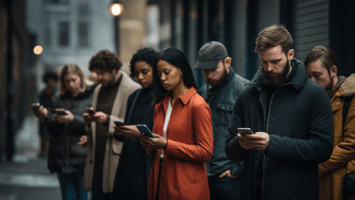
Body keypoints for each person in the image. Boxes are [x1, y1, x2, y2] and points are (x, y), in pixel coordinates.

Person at [225, 25, 334, 200]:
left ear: (290, 54)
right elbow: (231, 151)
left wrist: (272, 144)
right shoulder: (248, 94)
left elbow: (323, 148)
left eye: (275, 62)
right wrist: (241, 145)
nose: (268, 68)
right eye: (264, 61)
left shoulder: (315, 94)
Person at [139, 47, 213, 200]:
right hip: (159, 181)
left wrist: (167, 145)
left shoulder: (197, 105)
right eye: (159, 74)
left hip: (186, 188)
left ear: (181, 70)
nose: (162, 78)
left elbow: (205, 152)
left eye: (167, 72)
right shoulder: (161, 106)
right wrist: (150, 145)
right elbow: (157, 148)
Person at [78, 50, 140, 200]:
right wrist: (90, 131)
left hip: (115, 160)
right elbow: (98, 123)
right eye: (96, 73)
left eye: (102, 73)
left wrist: (107, 119)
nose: (99, 77)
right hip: (96, 158)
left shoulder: (132, 89)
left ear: (114, 70)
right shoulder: (99, 89)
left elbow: (134, 127)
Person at [194, 41, 249, 200]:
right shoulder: (203, 92)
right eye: (205, 70)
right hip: (204, 174)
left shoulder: (245, 90)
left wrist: (237, 169)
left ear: (227, 62)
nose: (209, 75)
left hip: (229, 178)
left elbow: (255, 132)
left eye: (214, 69)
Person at [32, 63, 92, 200]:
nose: (71, 84)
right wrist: (46, 118)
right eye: (67, 81)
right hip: (61, 158)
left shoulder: (91, 99)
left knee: (82, 197)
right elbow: (53, 131)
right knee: (68, 197)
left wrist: (73, 119)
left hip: (82, 158)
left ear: (81, 78)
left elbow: (94, 127)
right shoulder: (58, 99)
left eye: (74, 80)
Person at [304, 46, 355, 200]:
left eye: (317, 75)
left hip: (341, 183)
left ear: (333, 71)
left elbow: (352, 143)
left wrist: (313, 166)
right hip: (315, 185)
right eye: (308, 76)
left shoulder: (351, 97)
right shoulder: (311, 99)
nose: (312, 81)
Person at [110, 47, 159, 200]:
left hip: (147, 163)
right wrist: (121, 132)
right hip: (128, 163)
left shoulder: (163, 97)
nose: (140, 77)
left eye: (145, 72)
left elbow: (164, 134)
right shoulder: (134, 96)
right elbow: (128, 127)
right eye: (136, 73)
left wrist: (138, 132)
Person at [38, 71, 58, 158]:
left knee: (48, 134)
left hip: (51, 114)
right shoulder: (45, 91)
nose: (50, 82)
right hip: (43, 114)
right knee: (43, 134)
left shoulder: (56, 91)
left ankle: (47, 151)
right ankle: (43, 150)